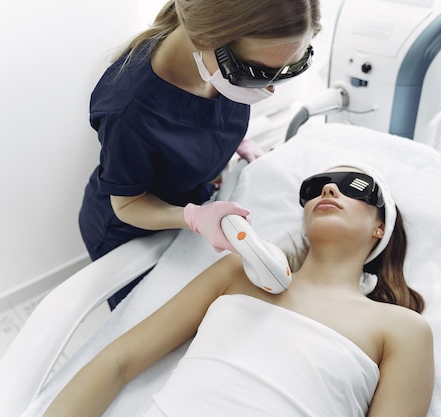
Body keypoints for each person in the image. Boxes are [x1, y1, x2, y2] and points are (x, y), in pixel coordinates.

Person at [43, 163, 435, 417]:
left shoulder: (404, 329)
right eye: (315, 186)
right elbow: (120, 360)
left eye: (356, 186)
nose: (329, 190)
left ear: (380, 228)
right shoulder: (239, 272)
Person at [78, 0, 321, 308]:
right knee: (150, 317)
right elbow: (127, 204)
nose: (269, 89)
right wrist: (192, 217)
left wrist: (236, 142)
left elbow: (204, 119)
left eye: (288, 70)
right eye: (258, 74)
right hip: (129, 228)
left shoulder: (222, 69)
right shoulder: (128, 109)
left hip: (194, 199)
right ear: (207, 40)